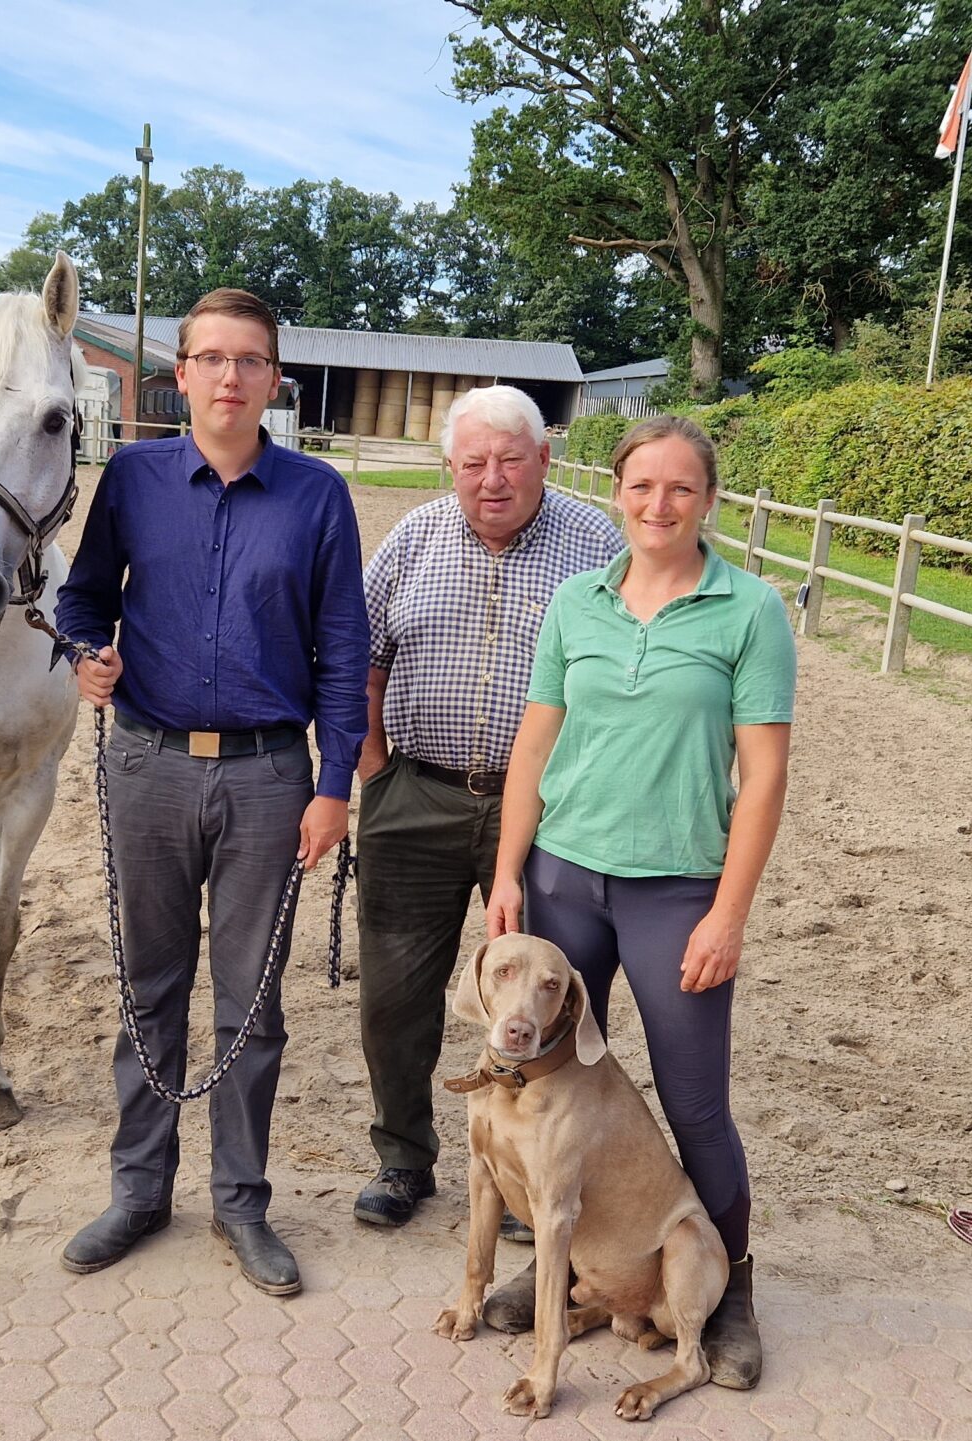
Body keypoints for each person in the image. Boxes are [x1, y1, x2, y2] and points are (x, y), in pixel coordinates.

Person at [52, 287, 369, 1297]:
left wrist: (332, 787)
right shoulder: (133, 478)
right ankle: (140, 1189)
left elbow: (343, 648)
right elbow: (84, 594)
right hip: (144, 764)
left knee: (251, 1005)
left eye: (251, 360)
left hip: (271, 778)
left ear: (275, 379)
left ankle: (241, 1202)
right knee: (149, 986)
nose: (231, 377)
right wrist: (82, 652)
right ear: (180, 374)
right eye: (212, 358)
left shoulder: (317, 496)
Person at [482, 413, 794, 1388]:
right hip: (564, 878)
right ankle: (565, 1259)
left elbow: (766, 774)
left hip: (675, 891)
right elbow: (534, 746)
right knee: (551, 1083)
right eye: (641, 486)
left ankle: (730, 1287)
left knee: (693, 1100)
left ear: (708, 500)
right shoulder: (576, 602)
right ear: (615, 493)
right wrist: (505, 871)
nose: (658, 505)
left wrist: (728, 912)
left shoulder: (748, 610)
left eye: (680, 489)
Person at [350, 386, 619, 1231]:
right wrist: (375, 767)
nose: (491, 479)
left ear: (545, 458)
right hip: (417, 792)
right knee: (396, 991)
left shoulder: (597, 544)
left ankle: (524, 1169)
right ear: (450, 466)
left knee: (542, 998)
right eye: (473, 463)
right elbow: (360, 653)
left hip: (549, 809)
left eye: (511, 460)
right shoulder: (411, 539)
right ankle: (403, 1156)